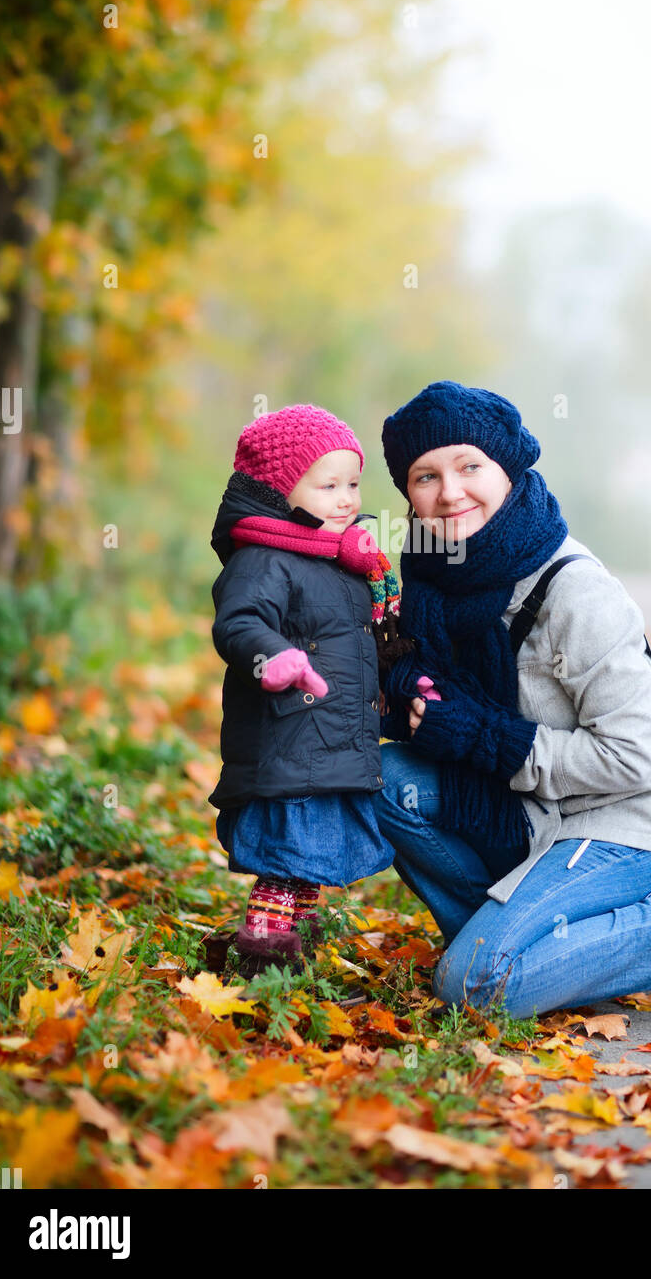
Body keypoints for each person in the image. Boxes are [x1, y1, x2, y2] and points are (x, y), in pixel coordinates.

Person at [375, 380, 651, 1027]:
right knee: (377, 781)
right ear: (407, 492)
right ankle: (536, 948)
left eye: (470, 466)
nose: (449, 492)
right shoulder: (432, 579)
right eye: (425, 475)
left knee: (474, 989)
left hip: (630, 820)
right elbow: (441, 708)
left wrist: (477, 735)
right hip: (533, 813)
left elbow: (630, 757)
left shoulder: (575, 592)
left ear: (509, 468)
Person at [208, 403, 414, 973]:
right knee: (290, 855)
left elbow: (366, 641)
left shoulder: (346, 562)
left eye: (353, 483)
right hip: (290, 741)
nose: (347, 499)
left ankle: (293, 945)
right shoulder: (265, 559)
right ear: (281, 492)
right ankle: (263, 962)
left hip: (332, 742)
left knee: (312, 856)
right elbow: (240, 623)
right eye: (328, 486)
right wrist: (272, 658)